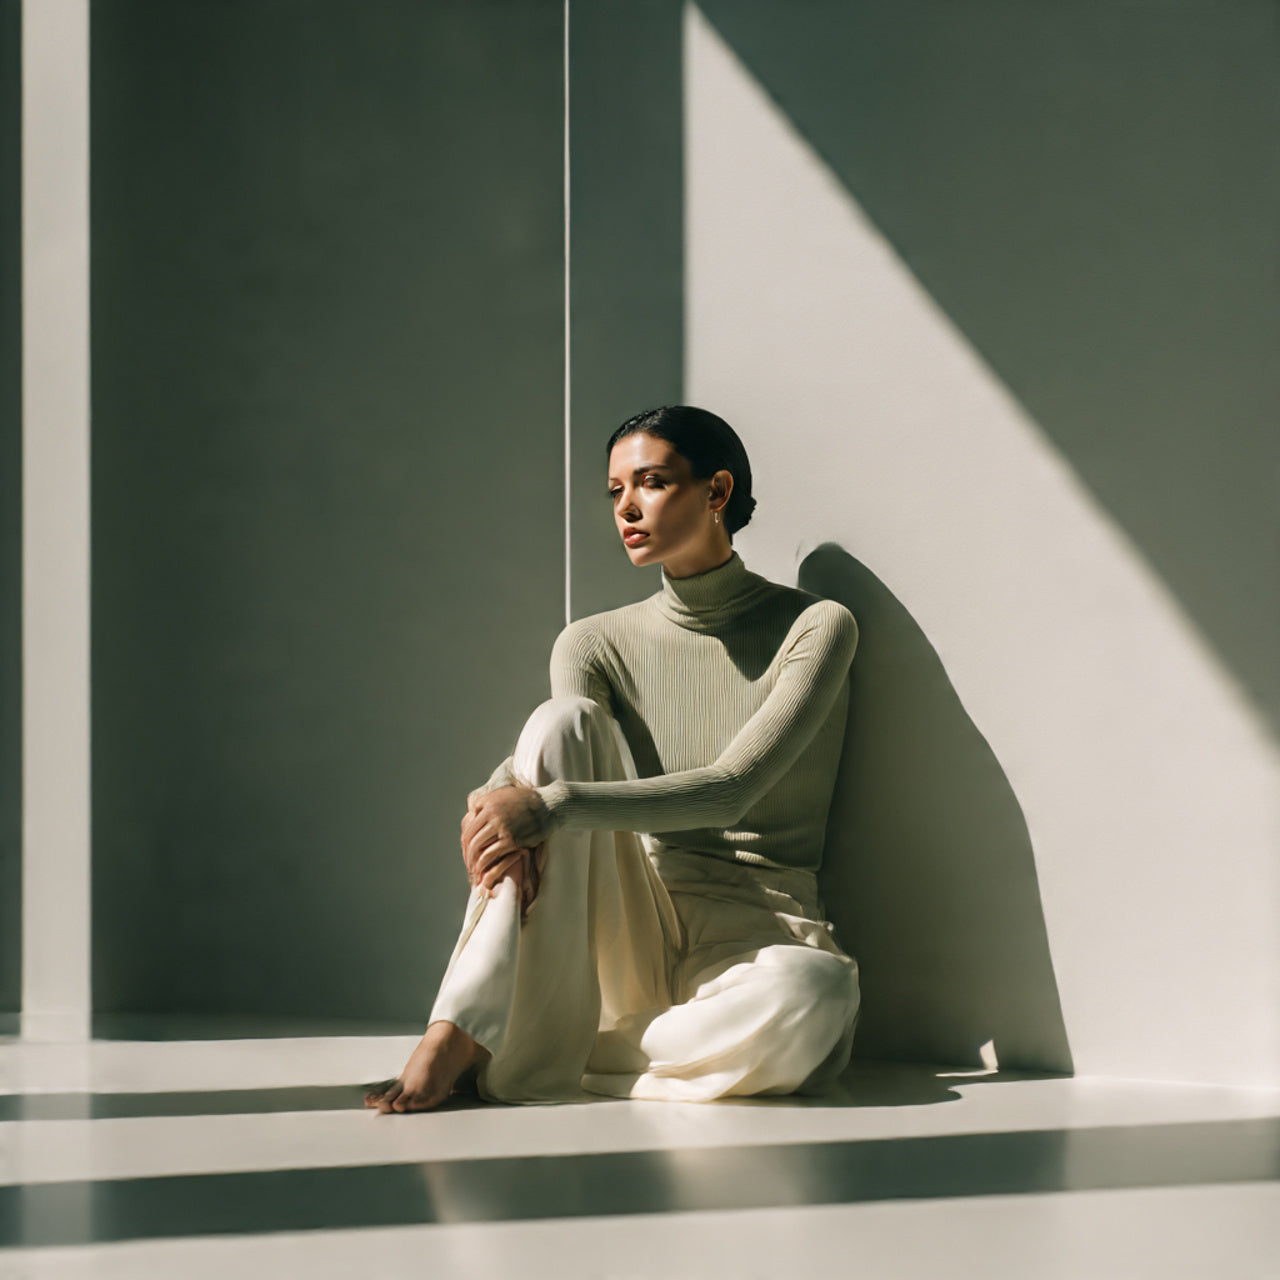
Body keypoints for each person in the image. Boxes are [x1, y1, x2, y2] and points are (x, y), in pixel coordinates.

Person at [364, 406, 860, 1112]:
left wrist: (541, 805)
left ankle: (559, 1051)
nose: (626, 507)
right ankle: (458, 1029)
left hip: (756, 935)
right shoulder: (593, 642)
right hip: (631, 918)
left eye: (651, 482)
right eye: (615, 491)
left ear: (716, 493)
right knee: (561, 721)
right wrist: (501, 798)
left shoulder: (815, 625)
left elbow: (731, 790)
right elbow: (556, 769)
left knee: (817, 990)